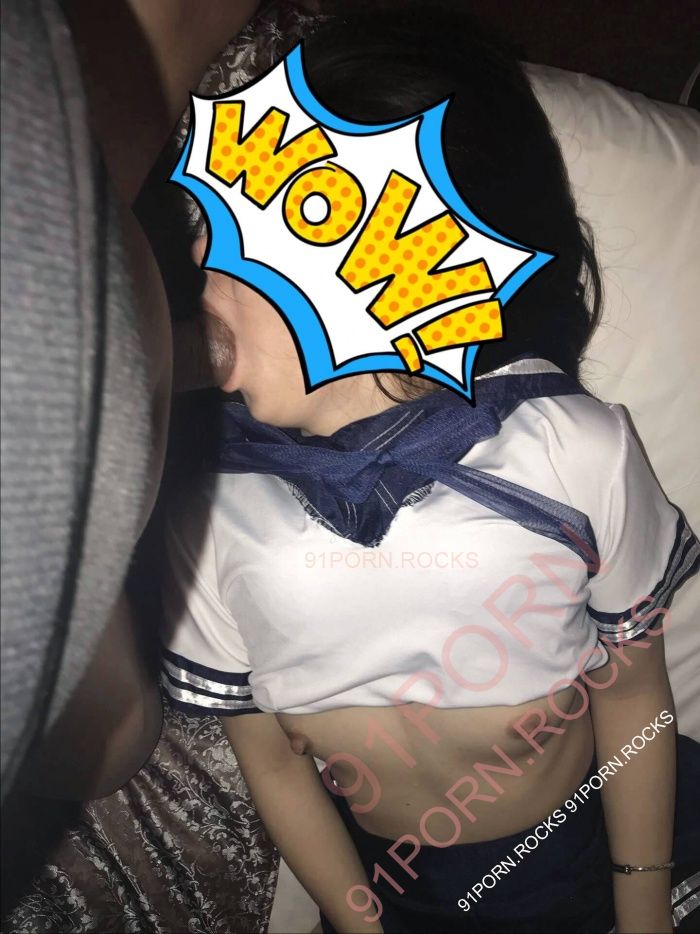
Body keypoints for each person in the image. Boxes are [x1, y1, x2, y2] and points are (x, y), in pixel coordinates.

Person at [158, 3, 700, 933]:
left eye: (270, 221)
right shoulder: (202, 507)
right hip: (403, 893)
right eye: (208, 219)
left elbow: (634, 688)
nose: (204, 267)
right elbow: (272, 759)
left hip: (612, 837)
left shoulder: (567, 450)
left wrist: (643, 904)